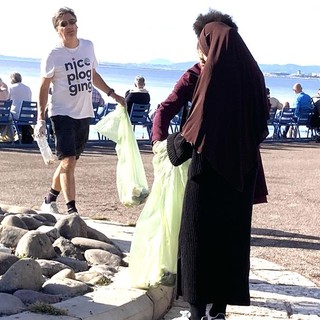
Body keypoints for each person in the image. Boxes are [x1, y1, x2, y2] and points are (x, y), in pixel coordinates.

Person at [167, 22, 269, 320]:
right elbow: (261, 123)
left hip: (207, 170)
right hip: (241, 170)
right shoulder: (253, 75)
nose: (199, 48)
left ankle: (197, 311)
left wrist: (171, 146)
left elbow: (196, 126)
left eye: (201, 42)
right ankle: (220, 310)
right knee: (231, 239)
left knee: (197, 237)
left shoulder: (211, 76)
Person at [34, 7, 126, 215]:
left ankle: (49, 199)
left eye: (72, 21)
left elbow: (92, 74)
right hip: (61, 112)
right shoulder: (53, 55)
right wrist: (40, 118)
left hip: (84, 112)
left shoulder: (88, 47)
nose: (69, 26)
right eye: (63, 24)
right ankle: (72, 211)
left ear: (77, 24)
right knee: (68, 160)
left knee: (70, 162)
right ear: (57, 30)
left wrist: (113, 94)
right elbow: (42, 87)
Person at [152, 9, 238, 144]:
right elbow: (164, 110)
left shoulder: (241, 76)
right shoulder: (192, 77)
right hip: (198, 150)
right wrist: (158, 141)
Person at [8, 72, 33, 143]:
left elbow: (7, 100)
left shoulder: (11, 88)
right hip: (28, 114)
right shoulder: (28, 88)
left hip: (16, 114)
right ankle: (25, 134)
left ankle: (11, 137)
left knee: (9, 117)